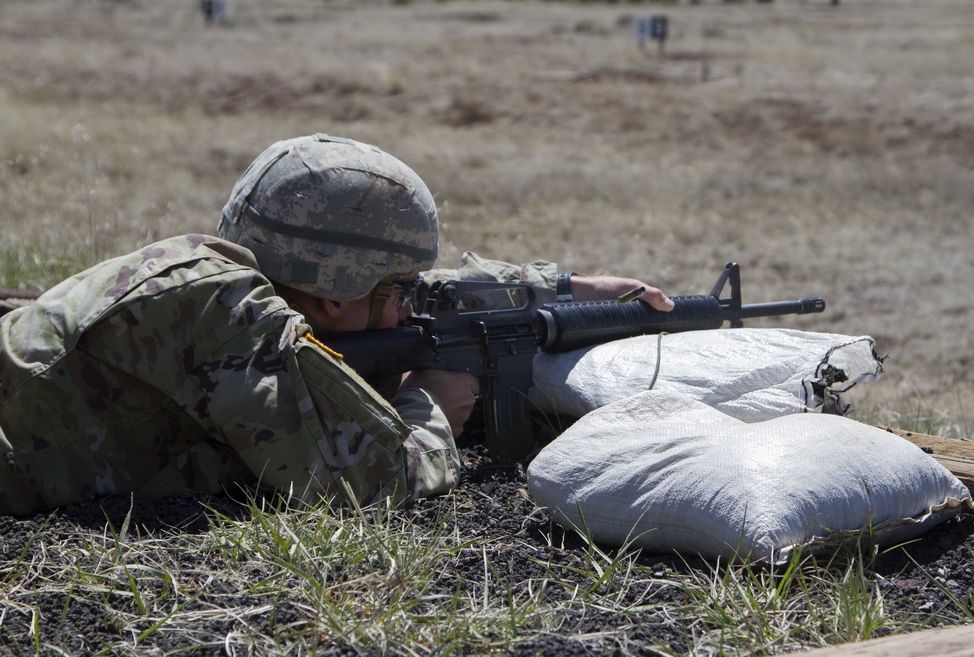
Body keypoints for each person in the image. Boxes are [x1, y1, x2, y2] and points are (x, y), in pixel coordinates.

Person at [0, 134, 672, 516]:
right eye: (398, 288)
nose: (412, 302)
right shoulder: (229, 317)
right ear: (333, 293)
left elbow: (398, 294)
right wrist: (433, 406)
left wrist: (555, 287)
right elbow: (372, 481)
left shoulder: (234, 277)